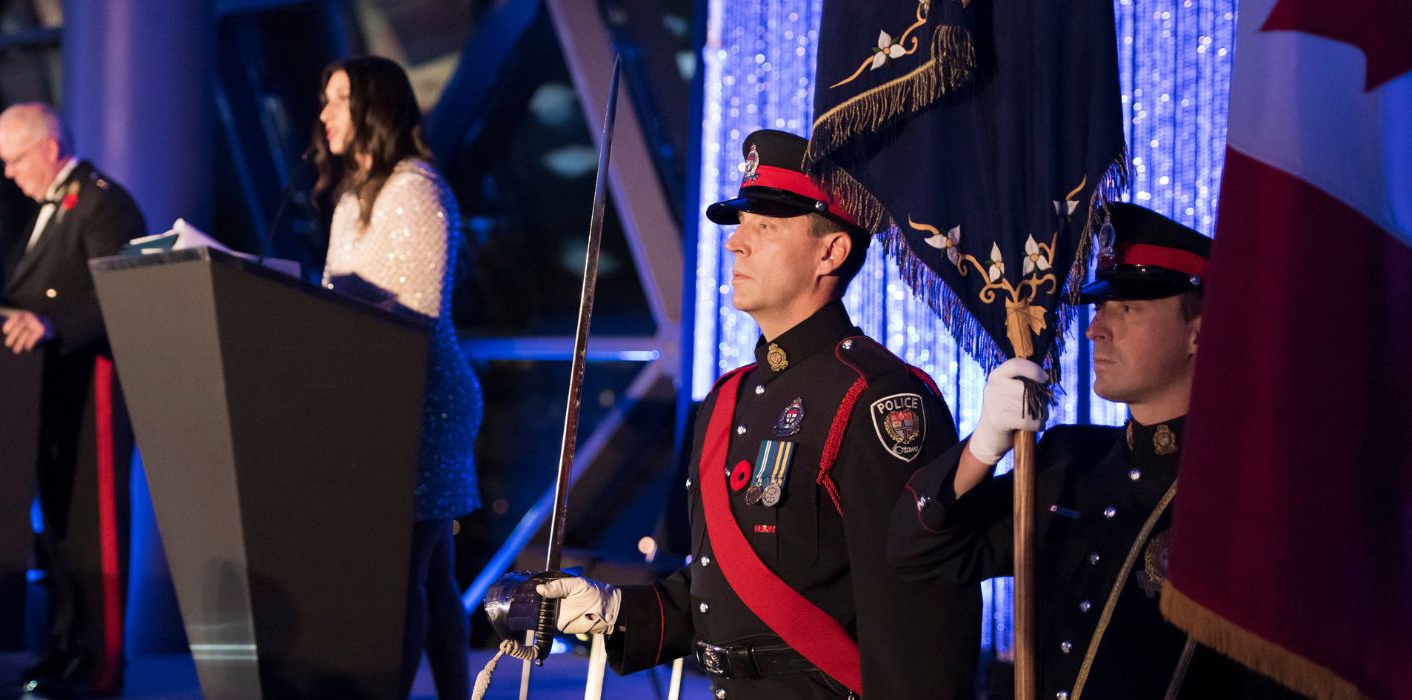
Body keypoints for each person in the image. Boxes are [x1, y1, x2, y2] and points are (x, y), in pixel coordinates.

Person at [534, 130, 981, 699]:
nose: (735, 243)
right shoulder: (728, 397)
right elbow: (725, 589)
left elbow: (919, 613)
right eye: (741, 224)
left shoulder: (876, 397)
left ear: (831, 251)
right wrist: (614, 610)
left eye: (764, 226)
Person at [888, 204, 1298, 698]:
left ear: (1200, 331)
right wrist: (983, 446)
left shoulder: (1256, 495)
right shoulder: (1070, 461)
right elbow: (917, 551)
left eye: (1128, 308)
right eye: (1101, 307)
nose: (1095, 329)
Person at [313, 56, 481, 700]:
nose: (324, 115)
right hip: (378, 401)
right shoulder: (353, 198)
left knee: (403, 573)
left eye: (338, 100)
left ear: (374, 109)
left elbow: (418, 309)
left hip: (424, 402)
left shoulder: (415, 189)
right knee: (430, 575)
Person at [0, 102, 145, 698]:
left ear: (49, 148)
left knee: (95, 529)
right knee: (58, 530)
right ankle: (62, 647)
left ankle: (101, 663)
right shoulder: (50, 211)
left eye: (14, 160)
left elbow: (123, 287)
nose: (8, 173)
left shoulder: (104, 202)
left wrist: (52, 323)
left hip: (94, 391)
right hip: (52, 395)